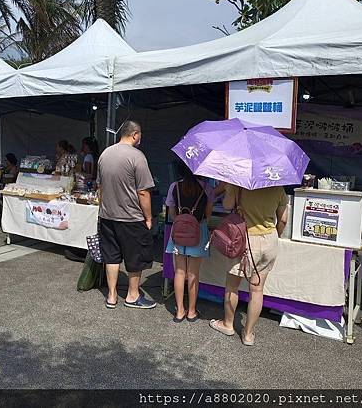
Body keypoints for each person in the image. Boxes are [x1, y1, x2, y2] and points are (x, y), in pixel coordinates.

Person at [210, 184, 289, 346]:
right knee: (257, 290)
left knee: (232, 286)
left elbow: (226, 205)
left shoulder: (238, 185)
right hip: (270, 240)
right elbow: (283, 219)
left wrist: (230, 189)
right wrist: (275, 234)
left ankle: (228, 324)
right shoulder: (278, 188)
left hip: (244, 240)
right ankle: (248, 334)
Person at [98, 120, 156, 310]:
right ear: (135, 134)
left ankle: (112, 296)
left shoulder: (105, 154)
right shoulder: (137, 157)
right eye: (140, 135)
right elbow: (144, 192)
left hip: (106, 216)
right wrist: (148, 218)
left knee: (111, 256)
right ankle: (132, 295)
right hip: (131, 217)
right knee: (135, 256)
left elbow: (101, 187)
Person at [165, 162, 213, 323]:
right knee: (193, 273)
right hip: (198, 232)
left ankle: (179, 311)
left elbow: (171, 213)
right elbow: (208, 215)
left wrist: (181, 220)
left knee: (179, 272)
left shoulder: (174, 187)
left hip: (178, 233)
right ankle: (191, 311)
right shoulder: (206, 188)